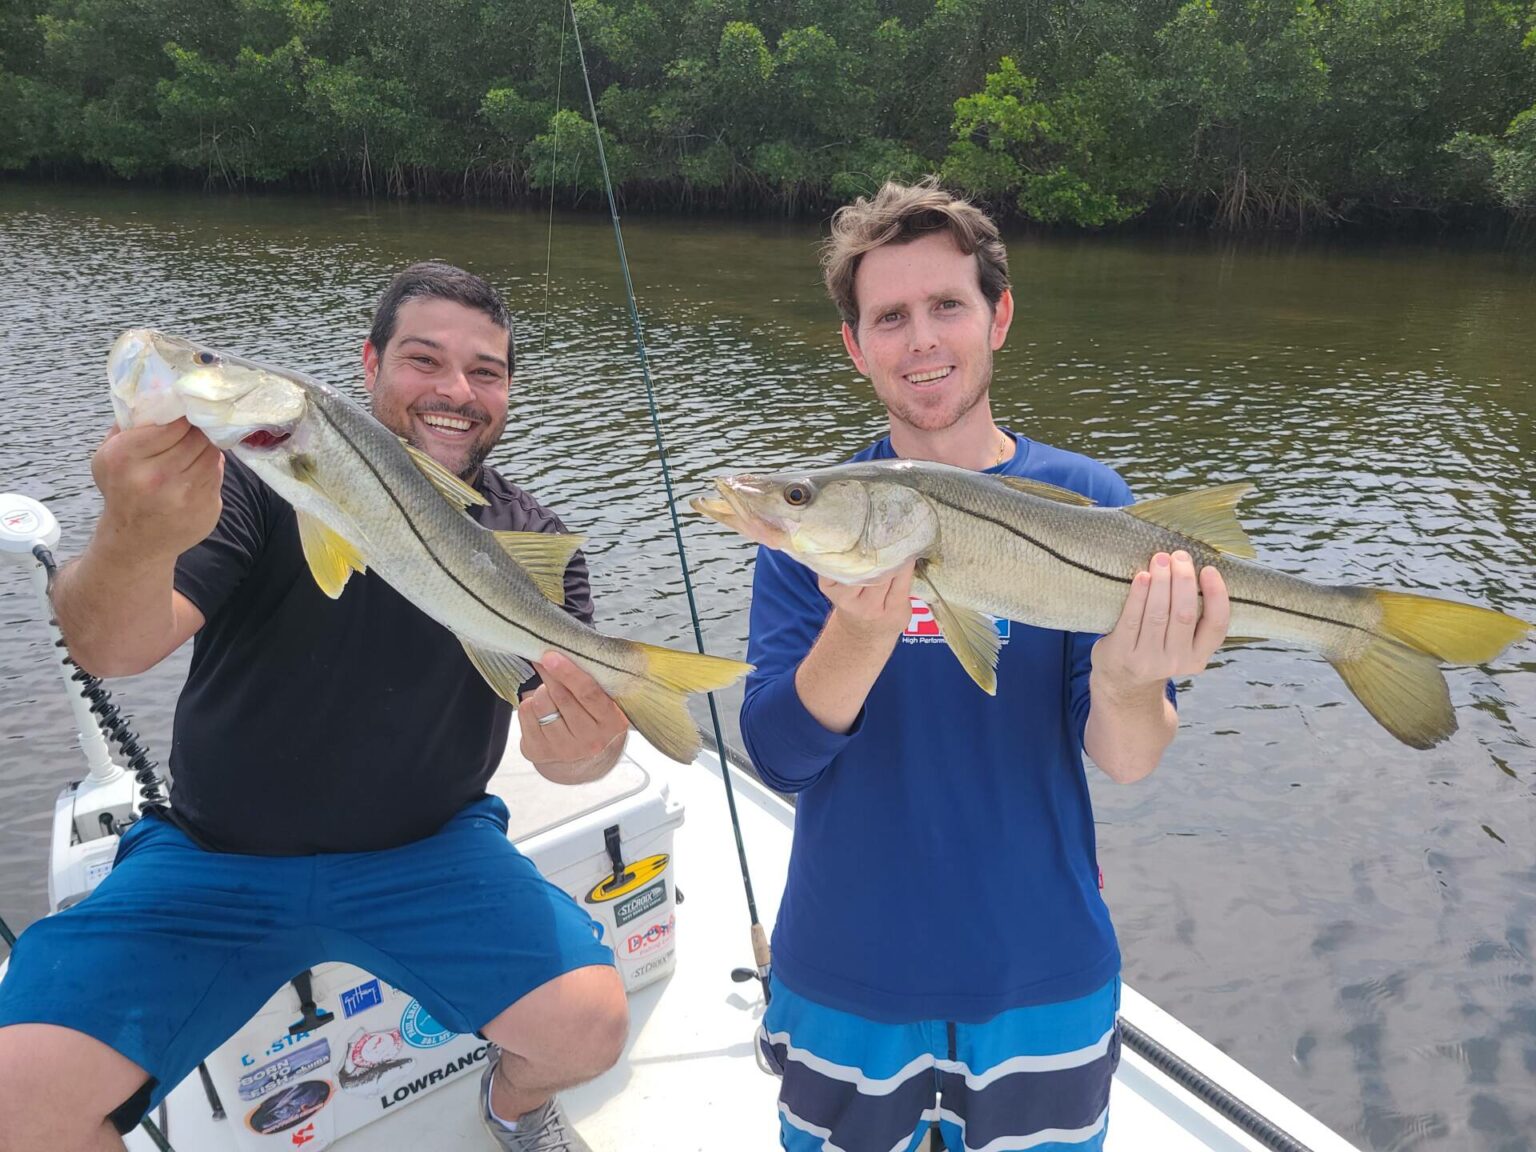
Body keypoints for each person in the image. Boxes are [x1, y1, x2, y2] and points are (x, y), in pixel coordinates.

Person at [0, 262, 628, 1152]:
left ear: (508, 392)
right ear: (367, 365)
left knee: (590, 1030)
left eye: (485, 371)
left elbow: (572, 758)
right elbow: (113, 647)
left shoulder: (533, 543)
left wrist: (586, 745)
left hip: (432, 854)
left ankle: (513, 1106)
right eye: (424, 360)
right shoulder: (252, 482)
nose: (456, 390)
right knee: (14, 1106)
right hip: (215, 860)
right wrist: (134, 535)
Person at [741, 181, 1232, 1152]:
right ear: (855, 345)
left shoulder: (1088, 498)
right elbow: (780, 756)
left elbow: (1127, 760)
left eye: (947, 306)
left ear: (998, 317)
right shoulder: (814, 526)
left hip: (1040, 976)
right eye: (889, 316)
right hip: (846, 975)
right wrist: (862, 631)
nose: (921, 339)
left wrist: (1135, 680)